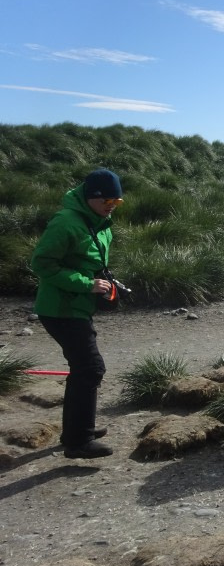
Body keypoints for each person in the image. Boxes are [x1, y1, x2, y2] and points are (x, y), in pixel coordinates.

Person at [30, 168, 124, 459]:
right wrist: (87, 284)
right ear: (91, 197)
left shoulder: (100, 221)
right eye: (107, 200)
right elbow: (42, 264)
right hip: (60, 309)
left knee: (83, 367)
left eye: (117, 202)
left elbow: (89, 260)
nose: (111, 206)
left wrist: (107, 281)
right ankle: (78, 441)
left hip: (78, 306)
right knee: (90, 368)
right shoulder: (66, 222)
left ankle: (76, 429)